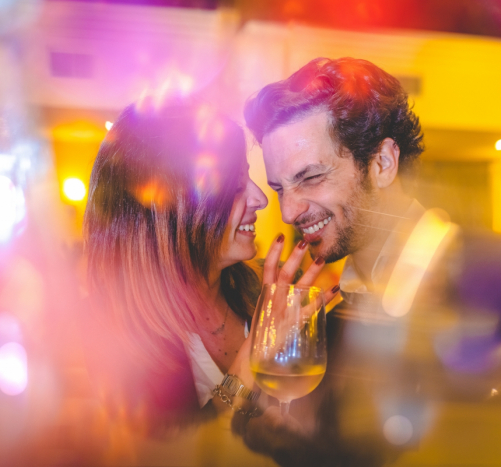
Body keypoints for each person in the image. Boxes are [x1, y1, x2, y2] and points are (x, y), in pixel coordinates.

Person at [235, 57, 501, 466]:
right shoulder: (322, 322)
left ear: (382, 163)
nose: (290, 211)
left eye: (310, 178)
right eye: (279, 188)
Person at [81, 99, 338, 436]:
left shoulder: (263, 290)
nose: (260, 199)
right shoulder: (112, 339)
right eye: (234, 188)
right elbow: (174, 458)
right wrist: (253, 357)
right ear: (173, 212)